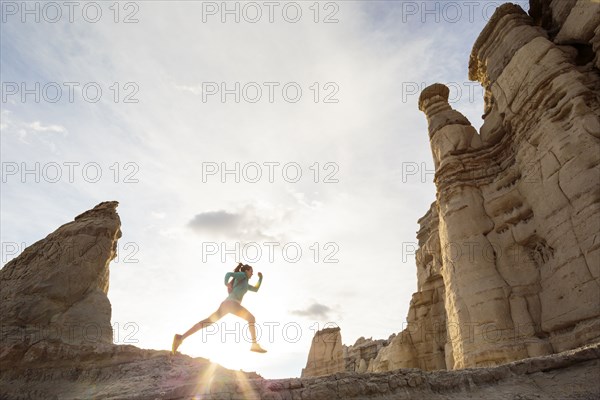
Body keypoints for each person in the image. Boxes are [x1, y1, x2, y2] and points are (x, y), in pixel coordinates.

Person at [171, 263, 267, 354]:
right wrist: (226, 283)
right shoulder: (242, 275)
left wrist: (260, 279)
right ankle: (254, 345)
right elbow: (228, 274)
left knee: (208, 322)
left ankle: (181, 338)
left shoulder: (245, 283)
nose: (252, 273)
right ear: (246, 270)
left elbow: (255, 289)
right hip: (232, 304)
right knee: (251, 318)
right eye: (251, 271)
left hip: (227, 305)